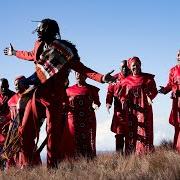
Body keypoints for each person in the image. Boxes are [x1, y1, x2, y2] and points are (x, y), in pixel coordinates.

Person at [4, 18, 115, 168]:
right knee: (25, 131)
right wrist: (15, 52)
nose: (38, 32)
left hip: (55, 98)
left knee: (53, 135)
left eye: (41, 30)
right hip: (38, 94)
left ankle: (52, 169)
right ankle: (28, 166)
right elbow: (30, 55)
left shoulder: (64, 52)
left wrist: (102, 77)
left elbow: (82, 69)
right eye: (38, 30)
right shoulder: (38, 45)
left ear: (51, 32)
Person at [120, 57, 158, 155]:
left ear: (140, 65)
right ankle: (131, 157)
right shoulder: (126, 81)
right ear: (130, 67)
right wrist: (123, 101)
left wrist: (150, 96)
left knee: (144, 131)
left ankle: (145, 155)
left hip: (144, 109)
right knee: (131, 132)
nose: (135, 67)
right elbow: (122, 94)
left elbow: (154, 90)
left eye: (137, 65)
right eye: (133, 65)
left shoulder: (148, 79)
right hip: (131, 111)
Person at [60, 72, 101, 159]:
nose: (78, 75)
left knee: (88, 140)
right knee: (72, 140)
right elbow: (63, 103)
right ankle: (72, 162)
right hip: (73, 120)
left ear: (86, 76)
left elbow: (97, 102)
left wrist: (95, 105)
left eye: (81, 73)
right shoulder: (68, 90)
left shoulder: (92, 89)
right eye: (76, 74)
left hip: (88, 120)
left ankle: (88, 162)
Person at [106, 60, 130, 154]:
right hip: (119, 112)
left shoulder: (132, 77)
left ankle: (131, 156)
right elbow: (110, 92)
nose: (124, 68)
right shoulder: (114, 78)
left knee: (130, 134)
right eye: (122, 67)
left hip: (131, 111)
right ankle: (119, 156)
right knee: (119, 134)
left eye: (125, 66)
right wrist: (108, 103)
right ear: (120, 68)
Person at [159, 50, 180, 152]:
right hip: (177, 102)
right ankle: (177, 149)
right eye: (178, 55)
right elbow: (170, 85)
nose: (179, 57)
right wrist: (165, 90)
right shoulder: (173, 70)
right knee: (178, 125)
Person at [0, 78, 15, 169]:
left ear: (8, 86)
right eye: (2, 87)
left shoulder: (13, 95)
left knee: (10, 149)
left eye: (5, 87)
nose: (4, 89)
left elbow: (15, 113)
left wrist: (9, 122)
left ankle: (11, 170)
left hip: (10, 126)